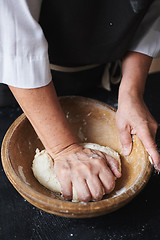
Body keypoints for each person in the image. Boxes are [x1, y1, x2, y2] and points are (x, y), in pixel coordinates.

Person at [1, 0, 160, 202]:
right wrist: (64, 149)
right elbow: (14, 38)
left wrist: (131, 91)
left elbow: (150, 9)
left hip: (96, 73)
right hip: (16, 87)